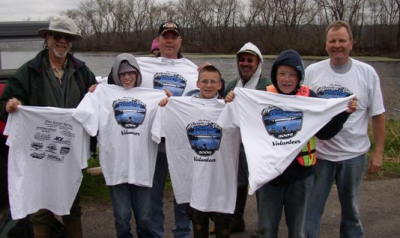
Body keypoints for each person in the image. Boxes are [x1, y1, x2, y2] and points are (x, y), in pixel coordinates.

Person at [1, 16, 96, 238]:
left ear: (71, 42)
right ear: (47, 38)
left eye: (67, 38)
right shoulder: (29, 70)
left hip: (69, 151)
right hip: (39, 152)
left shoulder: (82, 71)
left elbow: (95, 104)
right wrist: (11, 105)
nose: (62, 41)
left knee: (72, 206)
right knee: (41, 209)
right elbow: (5, 101)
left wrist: (95, 93)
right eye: (57, 36)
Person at [254, 49, 356, 238]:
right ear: (275, 74)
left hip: (300, 176)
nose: (286, 79)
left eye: (292, 74)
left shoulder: (310, 98)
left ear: (299, 77)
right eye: (282, 73)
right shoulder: (261, 96)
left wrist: (343, 113)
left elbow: (325, 133)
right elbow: (245, 123)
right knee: (266, 230)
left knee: (298, 231)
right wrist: (232, 100)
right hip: (269, 177)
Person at [304, 20, 386, 238]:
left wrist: (378, 153)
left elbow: (377, 115)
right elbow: (301, 108)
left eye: (342, 40)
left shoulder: (367, 73)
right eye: (333, 41)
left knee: (351, 210)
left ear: (351, 43)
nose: (337, 45)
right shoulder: (312, 72)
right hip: (320, 154)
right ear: (326, 44)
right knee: (311, 208)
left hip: (354, 154)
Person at [74, 53, 166, 238]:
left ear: (137, 74)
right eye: (122, 73)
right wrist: (92, 94)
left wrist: (166, 102)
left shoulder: (154, 96)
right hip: (116, 167)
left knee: (145, 218)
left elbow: (161, 129)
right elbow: (82, 115)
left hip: (142, 166)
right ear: (115, 74)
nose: (126, 77)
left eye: (131, 73)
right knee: (122, 217)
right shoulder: (102, 93)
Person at [155, 65, 240, 238]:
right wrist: (164, 106)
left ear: (219, 85)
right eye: (204, 81)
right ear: (197, 84)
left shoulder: (231, 107)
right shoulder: (179, 106)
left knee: (223, 232)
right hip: (195, 184)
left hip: (221, 183)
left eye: (213, 82)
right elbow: (161, 123)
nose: (208, 85)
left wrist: (237, 102)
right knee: (199, 231)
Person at [141, 21, 197, 238]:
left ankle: (182, 234)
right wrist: (98, 86)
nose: (170, 40)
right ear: (159, 40)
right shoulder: (142, 67)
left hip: (182, 142)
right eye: (166, 36)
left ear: (180, 41)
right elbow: (119, 80)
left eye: (174, 36)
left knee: (183, 194)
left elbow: (205, 97)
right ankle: (155, 234)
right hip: (154, 142)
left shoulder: (192, 70)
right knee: (152, 197)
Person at [224, 42, 270, 233]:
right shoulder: (231, 85)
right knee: (238, 182)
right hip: (237, 143)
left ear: (258, 63)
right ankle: (236, 220)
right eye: (242, 60)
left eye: (250, 60)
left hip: (260, 145)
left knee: (263, 186)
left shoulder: (267, 86)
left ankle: (265, 227)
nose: (245, 63)